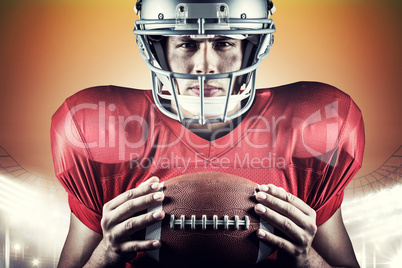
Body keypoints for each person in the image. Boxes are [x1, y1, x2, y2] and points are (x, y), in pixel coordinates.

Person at [50, 0, 364, 267]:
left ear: (251, 46)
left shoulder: (315, 124)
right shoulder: (99, 128)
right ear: (157, 49)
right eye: (186, 43)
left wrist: (307, 260)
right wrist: (105, 256)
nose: (205, 65)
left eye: (223, 42)